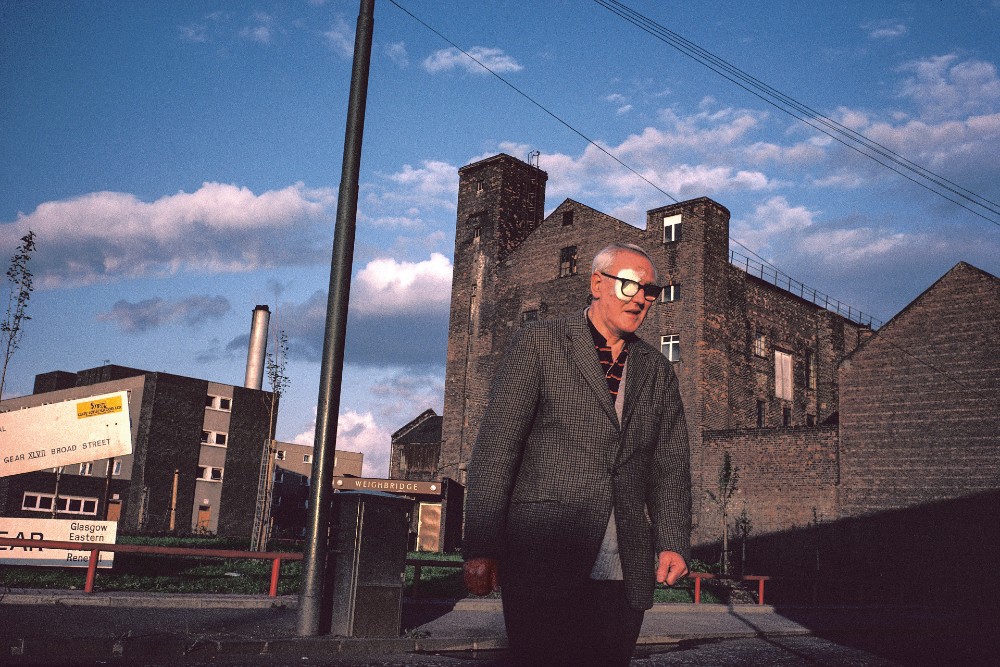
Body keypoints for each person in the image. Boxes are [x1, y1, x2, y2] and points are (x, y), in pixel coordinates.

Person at [462, 242, 692, 666]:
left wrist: (674, 540)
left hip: (624, 563)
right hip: (544, 554)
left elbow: (670, 466)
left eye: (649, 290)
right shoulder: (541, 343)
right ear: (597, 284)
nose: (640, 298)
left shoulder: (657, 370)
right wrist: (482, 544)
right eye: (629, 286)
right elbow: (496, 449)